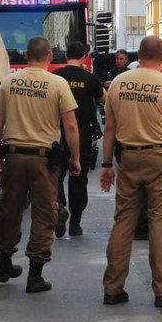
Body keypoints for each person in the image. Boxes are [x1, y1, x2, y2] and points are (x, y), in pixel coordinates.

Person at [100, 36, 162, 308]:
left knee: (124, 221)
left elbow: (109, 130)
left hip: (128, 157)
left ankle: (113, 288)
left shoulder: (118, 83)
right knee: (160, 223)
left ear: (138, 54)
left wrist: (106, 165)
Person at [0, 36, 81, 293]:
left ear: (27, 54)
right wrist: (74, 158)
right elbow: (70, 125)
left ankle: (4, 263)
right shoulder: (58, 84)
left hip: (14, 156)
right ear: (50, 56)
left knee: (10, 208)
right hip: (43, 159)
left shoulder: (10, 82)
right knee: (44, 213)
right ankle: (35, 275)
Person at [54, 41, 105, 236]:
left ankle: (58, 207)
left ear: (67, 55)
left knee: (55, 175)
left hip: (56, 132)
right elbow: (103, 99)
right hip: (82, 133)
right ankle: (75, 222)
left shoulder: (56, 76)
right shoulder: (89, 78)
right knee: (78, 177)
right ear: (84, 57)